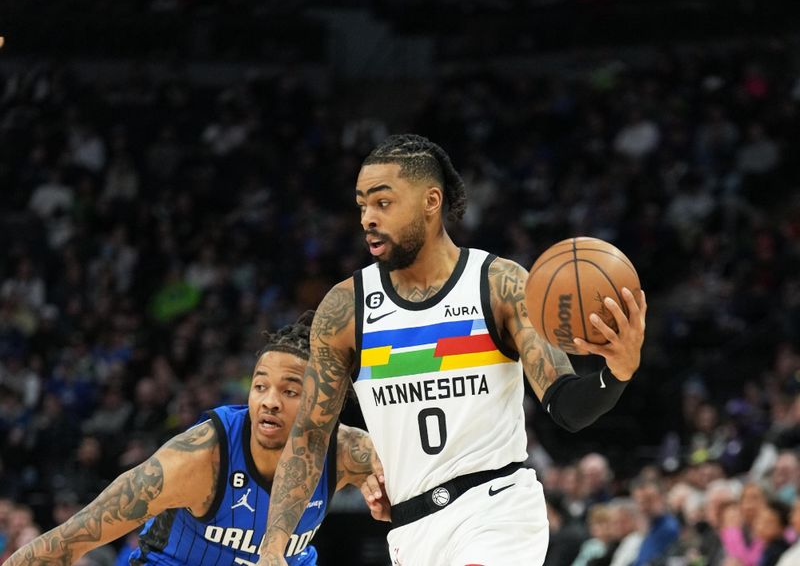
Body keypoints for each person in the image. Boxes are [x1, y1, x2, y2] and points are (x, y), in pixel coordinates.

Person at [258, 134, 647, 566]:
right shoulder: (345, 309)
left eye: (383, 203)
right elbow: (310, 438)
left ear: (431, 201)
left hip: (498, 512)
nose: (368, 217)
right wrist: (273, 546)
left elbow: (567, 407)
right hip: (411, 530)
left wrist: (617, 372)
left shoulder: (499, 284)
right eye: (362, 204)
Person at [5, 312, 387, 566]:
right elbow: (72, 538)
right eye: (259, 386)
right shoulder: (200, 457)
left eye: (290, 391)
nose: (269, 402)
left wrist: (389, 491)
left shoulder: (347, 452)